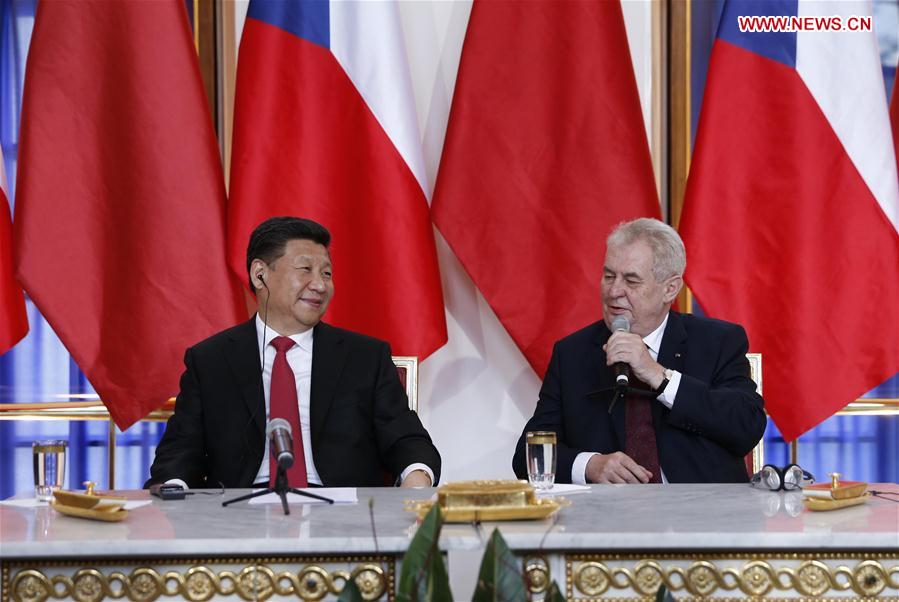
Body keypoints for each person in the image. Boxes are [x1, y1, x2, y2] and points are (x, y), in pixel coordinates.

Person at [147, 217, 440, 489]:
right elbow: (180, 451)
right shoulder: (210, 360)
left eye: (326, 273)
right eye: (305, 270)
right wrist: (175, 489)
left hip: (342, 515)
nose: (320, 284)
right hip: (239, 516)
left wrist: (416, 479)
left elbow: (406, 438)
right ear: (260, 275)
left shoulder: (365, 357)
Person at [512, 218, 766, 484]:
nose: (613, 291)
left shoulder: (718, 341)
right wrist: (589, 465)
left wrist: (660, 376)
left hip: (700, 516)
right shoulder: (573, 353)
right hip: (610, 518)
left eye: (631, 281)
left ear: (670, 288)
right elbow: (527, 456)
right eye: (609, 276)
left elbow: (746, 427)